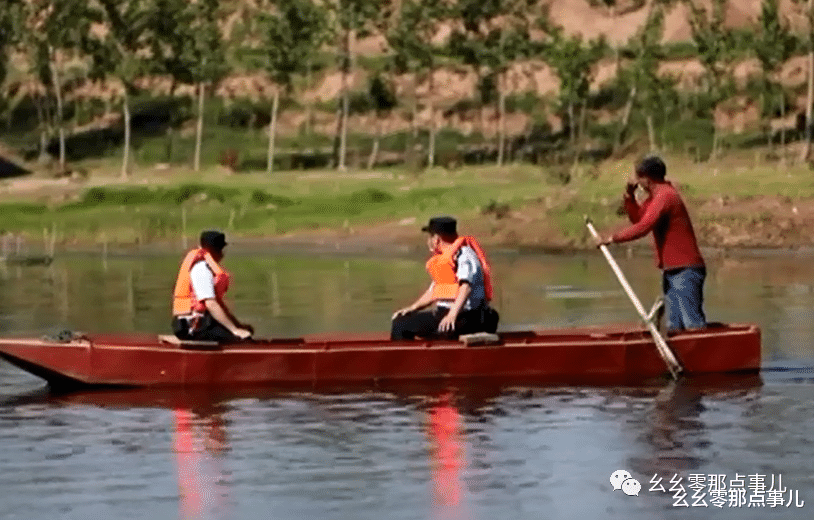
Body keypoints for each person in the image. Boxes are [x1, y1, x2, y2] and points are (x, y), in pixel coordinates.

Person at [596, 156, 707, 332]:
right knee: (674, 326)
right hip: (672, 270)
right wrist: (629, 197)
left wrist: (612, 238)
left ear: (647, 178)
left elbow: (643, 227)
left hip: (685, 270)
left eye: (639, 177)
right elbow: (638, 219)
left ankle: (704, 355)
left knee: (691, 323)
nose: (636, 181)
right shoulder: (655, 197)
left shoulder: (665, 196)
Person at [391, 216, 499, 340]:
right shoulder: (444, 260)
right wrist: (412, 308)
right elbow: (434, 291)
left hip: (466, 316)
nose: (428, 241)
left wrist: (452, 315)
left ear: (436, 239)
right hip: (448, 313)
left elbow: (466, 287)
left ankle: (406, 357)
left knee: (400, 325)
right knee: (402, 320)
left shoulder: (464, 255)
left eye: (430, 237)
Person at [172, 230, 253, 342]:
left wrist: (238, 326)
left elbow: (218, 306)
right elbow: (211, 304)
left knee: (245, 334)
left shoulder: (206, 267)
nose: (222, 254)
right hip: (192, 326)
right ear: (215, 250)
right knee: (243, 340)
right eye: (221, 249)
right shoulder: (201, 269)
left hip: (201, 323)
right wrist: (234, 330)